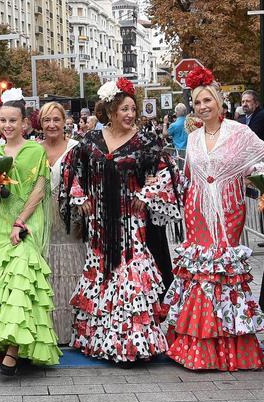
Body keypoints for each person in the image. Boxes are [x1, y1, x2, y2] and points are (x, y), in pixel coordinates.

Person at [164, 71, 264, 371]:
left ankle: (230, 347)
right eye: (197, 102)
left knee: (222, 271)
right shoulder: (192, 138)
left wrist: (255, 183)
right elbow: (190, 175)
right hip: (197, 209)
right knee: (199, 271)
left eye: (207, 100)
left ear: (219, 102)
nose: (203, 106)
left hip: (229, 209)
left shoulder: (239, 132)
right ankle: (197, 345)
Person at [60, 77, 181, 363]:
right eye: (124, 109)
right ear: (111, 111)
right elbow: (72, 170)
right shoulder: (91, 141)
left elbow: (167, 171)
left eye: (132, 109)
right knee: (102, 270)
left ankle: (134, 342)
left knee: (132, 270)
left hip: (132, 221)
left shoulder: (146, 142)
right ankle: (101, 341)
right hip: (100, 221)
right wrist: (80, 198)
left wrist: (148, 193)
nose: (130, 115)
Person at [0, 95, 62, 374]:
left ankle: (12, 354)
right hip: (2, 222)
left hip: (28, 221)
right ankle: (21, 344)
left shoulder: (34, 151)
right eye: (2, 120)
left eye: (12, 120)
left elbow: (40, 191)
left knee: (22, 277)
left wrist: (20, 221)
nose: (6, 125)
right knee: (9, 287)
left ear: (24, 122)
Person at [38, 102, 81, 346]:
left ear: (65, 121)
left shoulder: (77, 148)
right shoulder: (34, 149)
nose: (52, 124)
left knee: (70, 267)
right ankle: (49, 329)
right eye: (47, 120)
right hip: (43, 217)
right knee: (47, 268)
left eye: (56, 119)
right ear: (40, 124)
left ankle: (71, 329)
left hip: (70, 220)